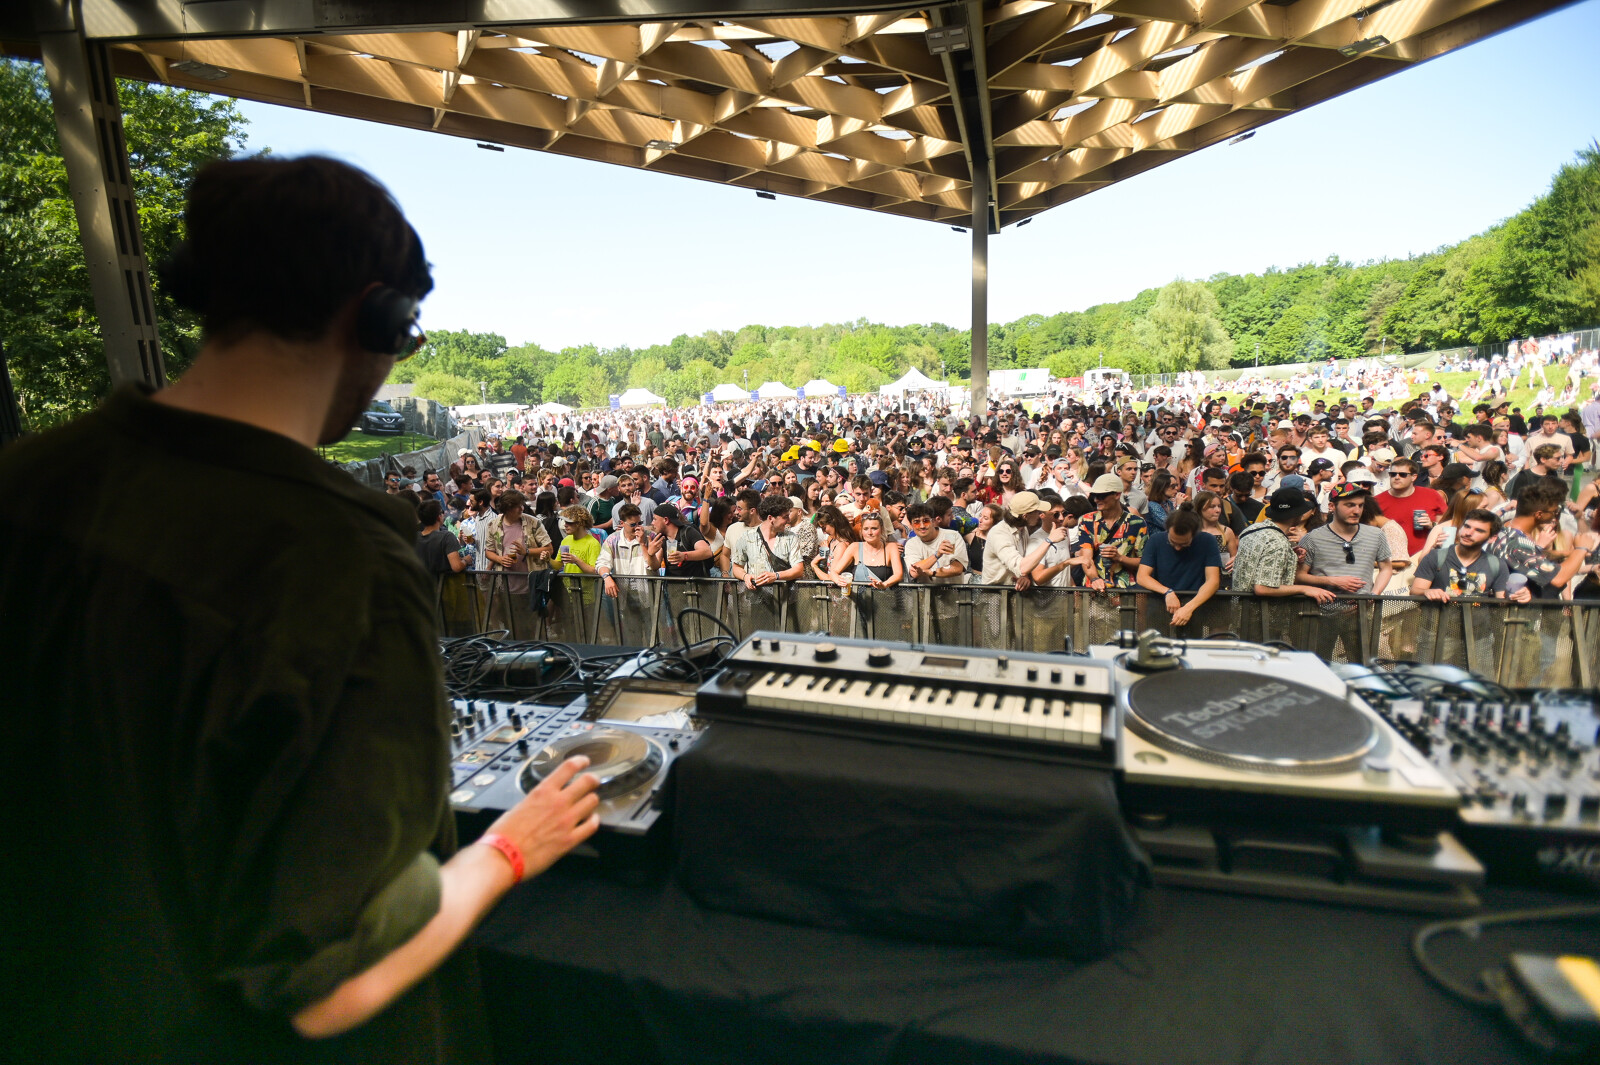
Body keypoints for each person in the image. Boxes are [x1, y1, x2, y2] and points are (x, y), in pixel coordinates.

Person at [0, 156, 601, 1062]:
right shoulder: (341, 556)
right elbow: (332, 980)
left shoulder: (26, 482)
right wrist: (511, 846)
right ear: (378, 316)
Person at [1297, 483, 1395, 663]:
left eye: (1360, 505)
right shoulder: (1313, 537)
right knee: (1318, 663)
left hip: (1360, 611)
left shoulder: (1375, 534)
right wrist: (1334, 581)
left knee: (1362, 664)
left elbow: (1386, 568)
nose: (1356, 510)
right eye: (1349, 505)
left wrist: (1373, 594)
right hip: (1321, 611)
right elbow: (1300, 576)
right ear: (1332, 506)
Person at [1231, 487, 1336, 604]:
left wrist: (1290, 554)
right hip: (1260, 615)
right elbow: (1263, 588)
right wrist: (1305, 589)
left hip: (1239, 609)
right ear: (1298, 513)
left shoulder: (1252, 529)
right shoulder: (1277, 542)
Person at [1135, 508, 1222, 628]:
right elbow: (1142, 577)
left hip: (1194, 607)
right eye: (1173, 542)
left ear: (1194, 533)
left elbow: (1213, 581)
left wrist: (1189, 608)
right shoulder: (1156, 540)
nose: (1177, 548)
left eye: (1184, 544)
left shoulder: (1208, 541)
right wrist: (1167, 592)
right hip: (1159, 606)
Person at [1076, 473, 1148, 591]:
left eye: (1102, 496)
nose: (1096, 499)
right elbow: (1086, 559)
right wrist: (1095, 579)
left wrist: (1119, 558)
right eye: (1094, 495)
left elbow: (1144, 563)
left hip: (1126, 591)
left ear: (1117, 495)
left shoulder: (1137, 523)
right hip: (1094, 590)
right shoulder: (1087, 520)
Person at [981, 491, 1058, 590]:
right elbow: (1022, 568)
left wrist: (1024, 576)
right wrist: (1049, 540)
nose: (1040, 515)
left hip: (1012, 593)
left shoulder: (1023, 528)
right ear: (1025, 516)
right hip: (993, 596)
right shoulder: (999, 534)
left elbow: (1023, 567)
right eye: (1037, 511)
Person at [902, 502, 968, 584]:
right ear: (911, 525)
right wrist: (937, 555)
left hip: (953, 594)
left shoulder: (950, 536)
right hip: (925, 595)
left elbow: (957, 569)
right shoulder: (912, 543)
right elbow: (914, 572)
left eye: (926, 521)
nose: (922, 526)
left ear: (933, 521)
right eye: (916, 522)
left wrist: (931, 573)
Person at [414, 499, 467, 574]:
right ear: (438, 517)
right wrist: (465, 561)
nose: (444, 514)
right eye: (442, 512)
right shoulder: (447, 537)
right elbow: (456, 567)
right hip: (441, 584)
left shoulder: (414, 537)